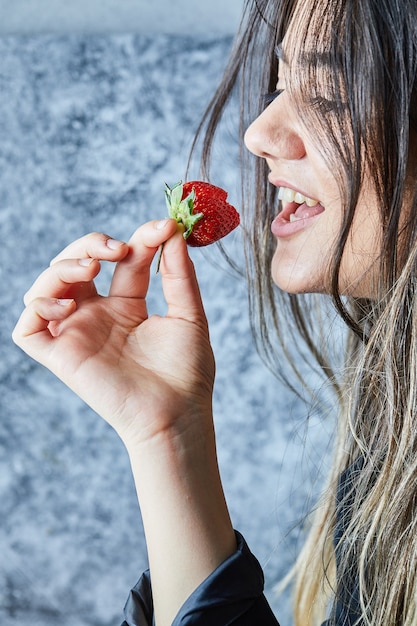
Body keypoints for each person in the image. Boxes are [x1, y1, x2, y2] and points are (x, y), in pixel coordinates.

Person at [12, 0, 417, 624]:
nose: (257, 133)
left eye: (333, 94)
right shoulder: (387, 432)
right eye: (282, 83)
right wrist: (167, 434)